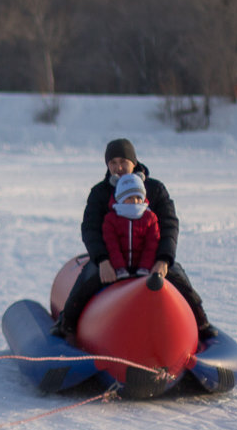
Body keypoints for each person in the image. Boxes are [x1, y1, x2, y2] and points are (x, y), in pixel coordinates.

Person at [53, 138, 216, 342]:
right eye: (112, 163)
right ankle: (66, 324)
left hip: (150, 259)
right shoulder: (100, 192)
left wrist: (163, 260)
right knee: (87, 279)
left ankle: (201, 324)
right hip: (112, 259)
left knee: (179, 278)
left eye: (123, 161)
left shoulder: (155, 189)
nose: (118, 167)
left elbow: (169, 225)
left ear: (134, 161)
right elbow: (90, 228)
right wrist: (102, 260)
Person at [101, 173, 161, 279]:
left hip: (144, 268)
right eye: (129, 197)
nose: (135, 201)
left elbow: (151, 245)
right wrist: (119, 268)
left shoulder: (150, 218)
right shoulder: (111, 219)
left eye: (138, 197)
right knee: (88, 284)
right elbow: (112, 245)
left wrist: (145, 267)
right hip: (118, 269)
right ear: (120, 198)